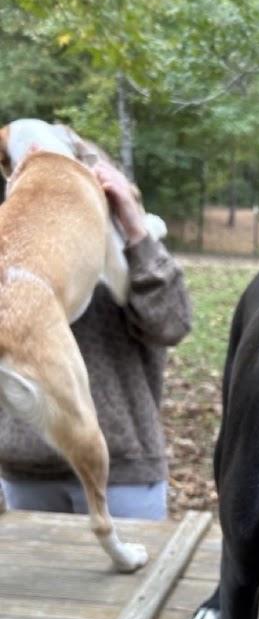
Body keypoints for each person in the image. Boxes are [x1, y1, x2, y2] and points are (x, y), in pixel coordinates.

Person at [0, 160, 192, 520]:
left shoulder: (132, 250)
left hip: (124, 472)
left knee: (131, 577)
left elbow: (172, 324)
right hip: (25, 470)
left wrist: (135, 229)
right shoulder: (14, 250)